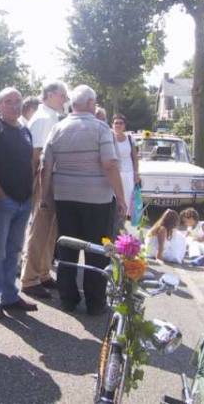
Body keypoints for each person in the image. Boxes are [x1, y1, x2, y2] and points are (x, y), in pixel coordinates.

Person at [41, 85, 126, 315]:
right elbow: (109, 164)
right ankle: (95, 302)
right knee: (96, 251)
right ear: (90, 103)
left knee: (67, 248)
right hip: (97, 199)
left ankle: (68, 299)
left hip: (65, 197)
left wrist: (44, 196)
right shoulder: (101, 129)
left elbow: (46, 166)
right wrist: (121, 198)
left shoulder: (57, 128)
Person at [0, 88, 38, 319]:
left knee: (14, 251)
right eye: (8, 101)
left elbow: (30, 162)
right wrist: (1, 196)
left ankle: (10, 296)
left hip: (23, 202)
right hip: (1, 202)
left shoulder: (24, 130)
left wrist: (31, 192)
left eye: (17, 101)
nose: (13, 105)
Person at [20, 80, 69, 299]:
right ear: (49, 95)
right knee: (39, 229)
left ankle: (42, 272)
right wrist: (37, 187)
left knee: (50, 229)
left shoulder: (50, 116)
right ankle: (29, 278)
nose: (65, 99)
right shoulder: (42, 119)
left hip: (53, 179)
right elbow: (35, 156)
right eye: (62, 95)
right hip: (43, 179)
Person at [111, 113, 140, 219]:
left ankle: (123, 222)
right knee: (115, 200)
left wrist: (136, 173)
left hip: (128, 174)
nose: (118, 125)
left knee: (127, 201)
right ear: (112, 125)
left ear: (124, 125)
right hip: (114, 174)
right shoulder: (109, 138)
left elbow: (135, 158)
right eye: (116, 123)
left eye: (120, 123)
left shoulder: (129, 138)